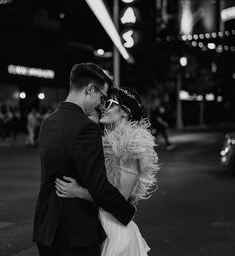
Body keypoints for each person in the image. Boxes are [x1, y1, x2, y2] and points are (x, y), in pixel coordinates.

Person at [33, 63, 136, 256]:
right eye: (102, 97)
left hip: (45, 227)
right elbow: (99, 186)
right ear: (90, 89)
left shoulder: (48, 122)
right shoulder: (85, 128)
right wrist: (127, 212)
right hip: (75, 232)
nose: (101, 104)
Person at [55, 86, 159, 256]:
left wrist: (79, 192)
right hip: (97, 225)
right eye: (103, 102)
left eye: (109, 103)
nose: (103, 107)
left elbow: (119, 198)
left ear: (125, 112)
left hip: (114, 232)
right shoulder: (107, 142)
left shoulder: (131, 145)